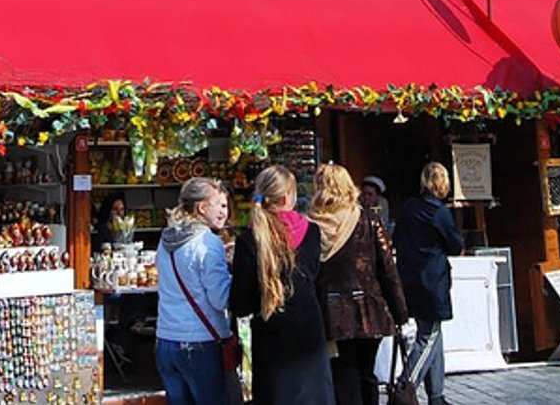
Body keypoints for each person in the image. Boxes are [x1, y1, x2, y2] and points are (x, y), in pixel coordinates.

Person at [230, 165, 330, 405]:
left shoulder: (249, 239)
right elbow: (316, 278)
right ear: (287, 197)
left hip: (271, 333)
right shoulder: (312, 232)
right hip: (309, 330)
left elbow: (240, 304)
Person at [313, 164, 408, 405]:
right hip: (369, 310)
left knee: (343, 376)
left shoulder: (312, 227)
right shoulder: (367, 219)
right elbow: (387, 269)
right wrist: (399, 312)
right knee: (367, 373)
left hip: (331, 312)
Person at [156, 177, 235, 405]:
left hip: (166, 339)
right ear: (201, 207)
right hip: (200, 342)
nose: (224, 212)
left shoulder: (166, 240)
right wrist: (236, 270)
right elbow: (220, 299)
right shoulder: (208, 243)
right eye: (219, 205)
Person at [392, 162, 462, 405]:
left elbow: (396, 238)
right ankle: (404, 388)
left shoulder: (408, 208)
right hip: (432, 280)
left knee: (433, 334)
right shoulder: (439, 212)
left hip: (409, 277)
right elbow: (455, 245)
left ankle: (437, 395)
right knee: (428, 337)